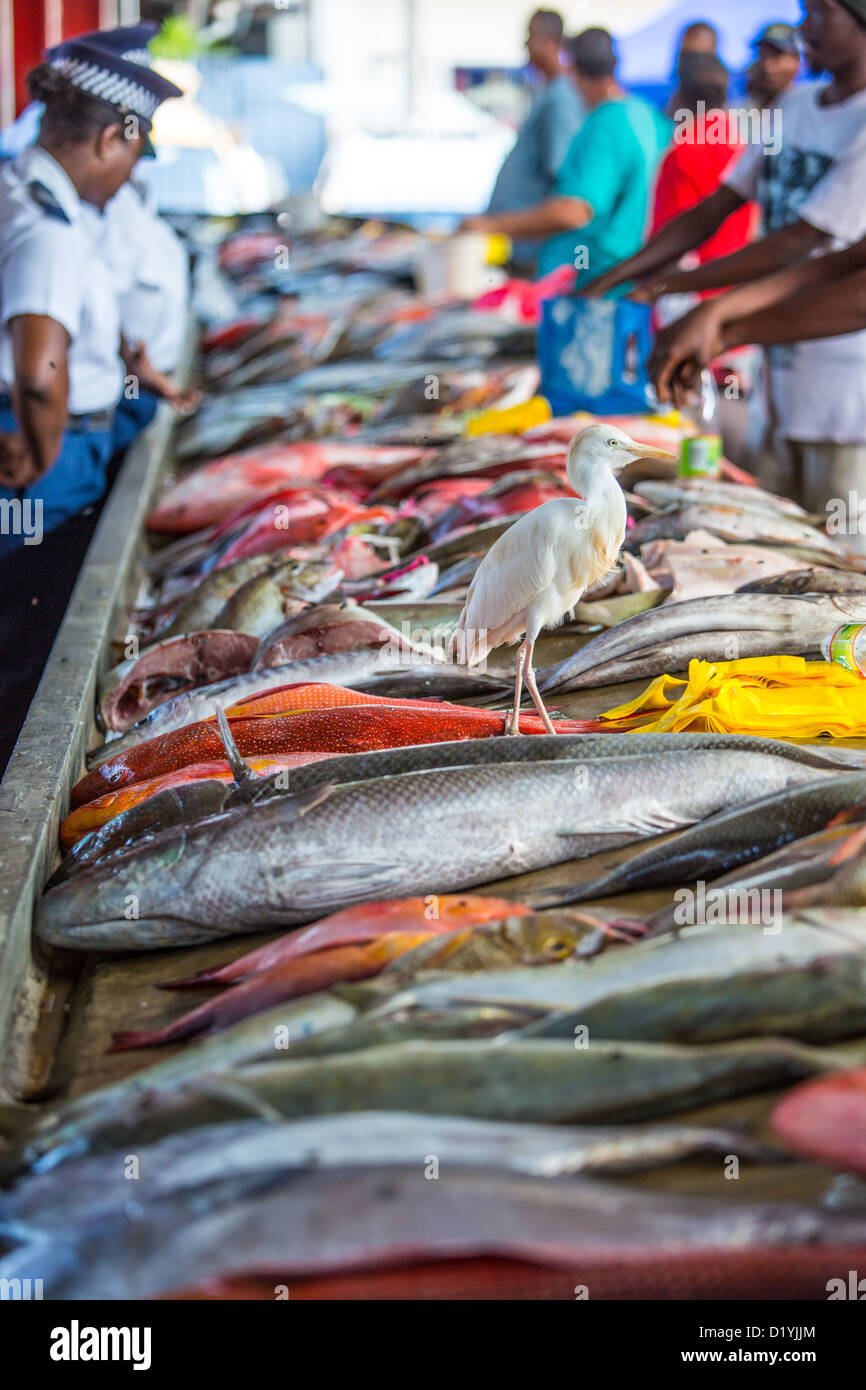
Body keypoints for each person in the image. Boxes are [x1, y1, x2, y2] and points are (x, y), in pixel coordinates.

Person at [0, 29, 182, 772]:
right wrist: (40, 454)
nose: (131, 172)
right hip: (53, 460)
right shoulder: (49, 226)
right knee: (29, 639)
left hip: (54, 438)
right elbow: (41, 366)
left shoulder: (22, 191)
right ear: (112, 138)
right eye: (135, 154)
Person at [463, 29, 670, 284]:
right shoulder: (647, 115)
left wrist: (490, 225)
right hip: (625, 274)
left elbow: (574, 211)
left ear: (572, 69)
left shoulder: (606, 122)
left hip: (595, 281)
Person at [484, 10, 585, 274]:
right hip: (518, 248)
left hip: (535, 255)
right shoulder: (548, 92)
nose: (526, 47)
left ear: (548, 41)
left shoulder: (561, 98)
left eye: (530, 38)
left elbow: (563, 182)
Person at [746, 23, 802, 108]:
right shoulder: (743, 107)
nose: (768, 67)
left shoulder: (806, 105)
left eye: (777, 56)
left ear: (796, 60)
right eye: (763, 56)